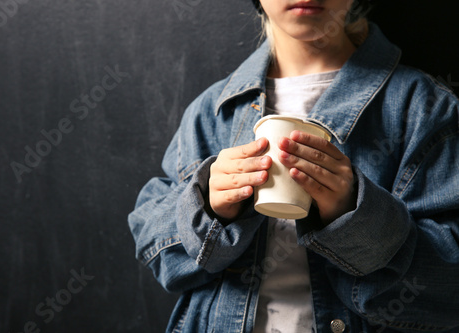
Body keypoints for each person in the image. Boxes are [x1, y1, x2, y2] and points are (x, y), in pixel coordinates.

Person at [129, 0, 459, 331]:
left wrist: (354, 216)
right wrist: (208, 209)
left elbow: (447, 291)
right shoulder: (212, 112)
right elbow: (154, 246)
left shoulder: (424, 110)